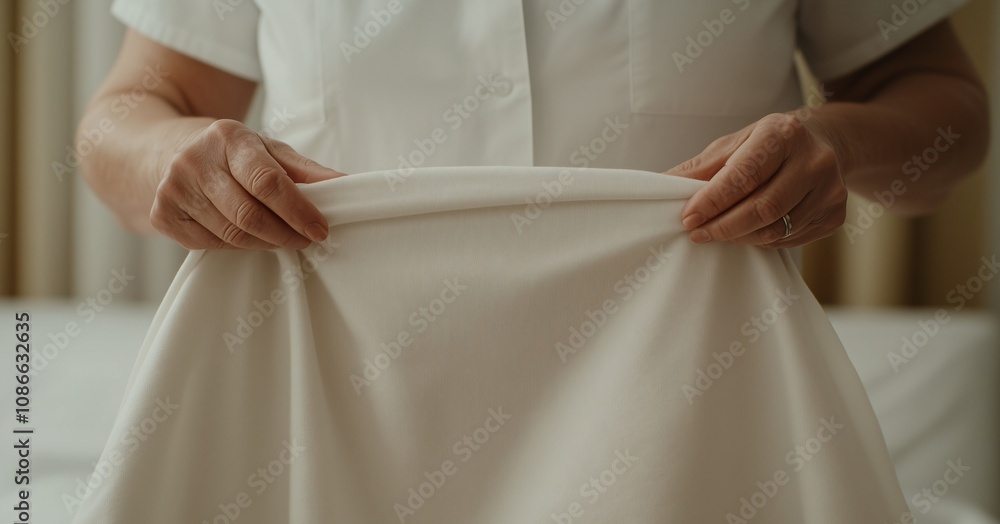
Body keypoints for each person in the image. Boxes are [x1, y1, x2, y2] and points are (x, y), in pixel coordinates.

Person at [80, 0, 988, 252]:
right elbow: (121, 119)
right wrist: (166, 152)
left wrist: (842, 144)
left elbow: (945, 105)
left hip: (694, 415)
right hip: (331, 414)